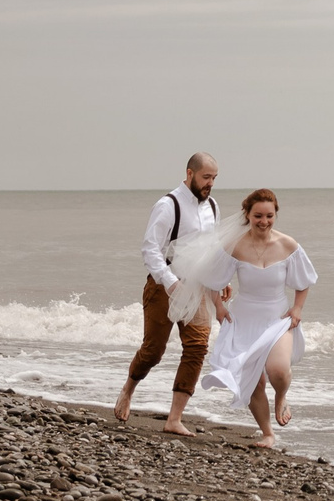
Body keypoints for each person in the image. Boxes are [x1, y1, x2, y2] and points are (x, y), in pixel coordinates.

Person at [192, 187, 318, 447]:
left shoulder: (288, 245)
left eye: (269, 216)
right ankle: (268, 433)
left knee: (278, 371)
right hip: (244, 319)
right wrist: (219, 306)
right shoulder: (235, 246)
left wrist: (297, 309)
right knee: (253, 380)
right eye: (258, 216)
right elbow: (211, 279)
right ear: (247, 215)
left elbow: (304, 282)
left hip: (278, 318)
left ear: (276, 215)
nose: (264, 222)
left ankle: (281, 397)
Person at [113, 152, 219, 434]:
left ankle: (174, 419)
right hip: (164, 286)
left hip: (196, 287)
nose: (210, 183)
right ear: (189, 173)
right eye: (206, 177)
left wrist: (219, 280)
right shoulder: (168, 205)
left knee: (197, 347)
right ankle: (128, 389)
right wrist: (171, 283)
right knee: (153, 351)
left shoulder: (213, 207)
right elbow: (151, 249)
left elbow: (210, 250)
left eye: (214, 178)